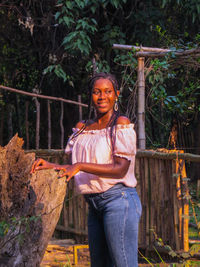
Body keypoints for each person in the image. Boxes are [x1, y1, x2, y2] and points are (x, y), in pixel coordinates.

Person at [31, 72, 142, 267]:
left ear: (116, 94)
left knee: (123, 264)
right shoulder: (82, 128)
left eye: (108, 91)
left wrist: (79, 165)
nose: (102, 97)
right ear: (90, 95)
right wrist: (50, 166)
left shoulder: (120, 124)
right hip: (94, 206)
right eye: (96, 92)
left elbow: (120, 169)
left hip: (119, 200)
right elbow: (73, 168)